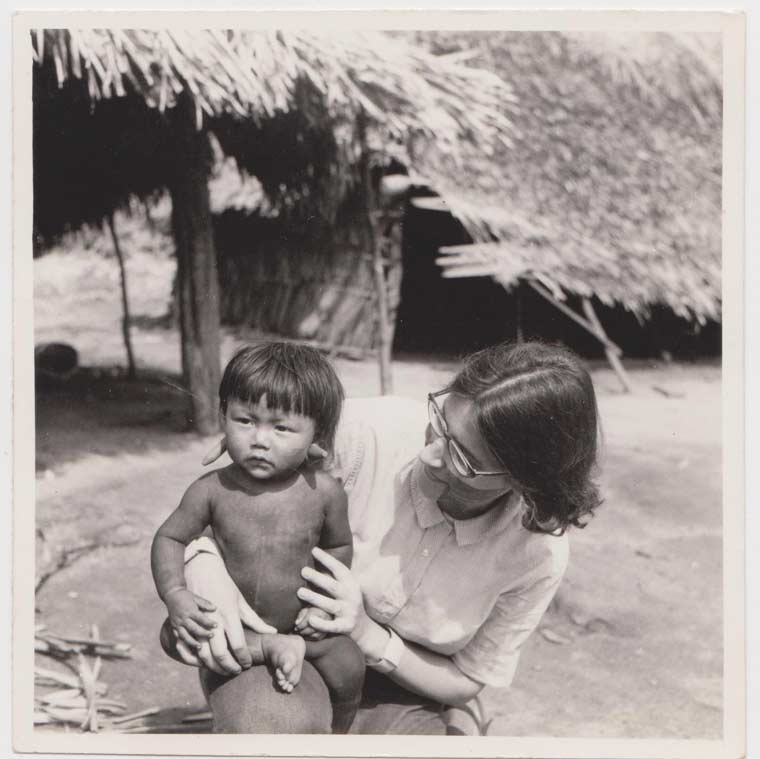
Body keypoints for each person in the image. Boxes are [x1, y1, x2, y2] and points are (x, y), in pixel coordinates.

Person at [167, 340, 602, 735]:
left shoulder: (536, 553)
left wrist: (366, 633)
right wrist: (200, 560)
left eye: (464, 460)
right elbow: (233, 497)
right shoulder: (363, 433)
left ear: (526, 483)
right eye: (441, 424)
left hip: (407, 690)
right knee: (273, 731)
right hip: (286, 652)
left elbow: (466, 680)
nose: (430, 454)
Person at [151, 342, 365, 734]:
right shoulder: (211, 489)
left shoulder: (324, 491)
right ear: (223, 415)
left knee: (350, 664)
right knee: (173, 636)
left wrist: (323, 604)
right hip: (240, 629)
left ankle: (341, 734)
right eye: (245, 420)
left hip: (302, 623)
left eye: (281, 427)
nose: (260, 439)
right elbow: (170, 537)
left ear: (319, 433)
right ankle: (266, 649)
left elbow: (338, 546)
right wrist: (175, 594)